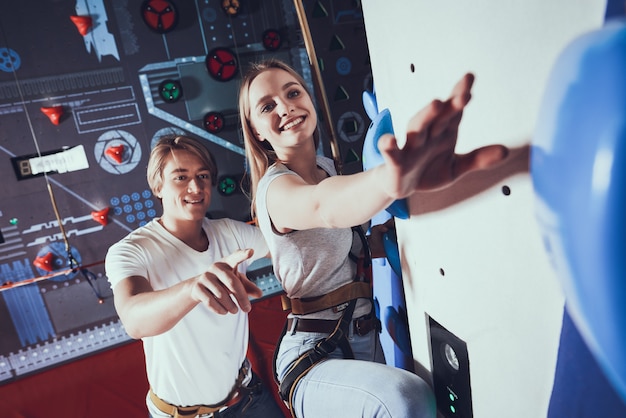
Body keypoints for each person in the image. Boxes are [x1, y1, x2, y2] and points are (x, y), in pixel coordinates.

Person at [238, 58, 507, 418]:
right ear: (257, 131)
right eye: (267, 106)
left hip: (364, 335)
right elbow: (323, 207)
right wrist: (392, 177)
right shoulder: (274, 189)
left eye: (292, 92)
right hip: (313, 355)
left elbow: (343, 247)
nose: (285, 107)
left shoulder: (328, 168)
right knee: (405, 398)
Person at [105, 135, 286, 418]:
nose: (196, 187)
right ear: (158, 186)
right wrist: (193, 288)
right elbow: (134, 319)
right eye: (181, 177)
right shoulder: (131, 250)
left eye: (203, 175)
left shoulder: (230, 232)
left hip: (248, 399)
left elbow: (290, 247)